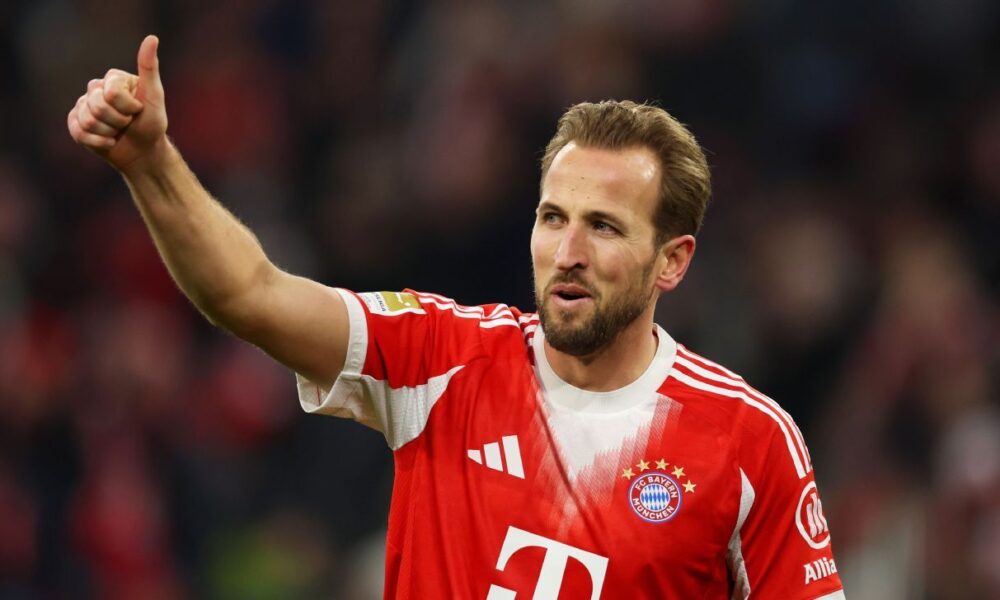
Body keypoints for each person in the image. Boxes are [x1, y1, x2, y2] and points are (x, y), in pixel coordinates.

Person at [68, 35, 845, 600]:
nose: (568, 252)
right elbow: (249, 293)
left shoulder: (748, 441)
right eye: (553, 218)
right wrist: (151, 161)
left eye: (604, 227)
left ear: (671, 261)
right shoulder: (442, 354)